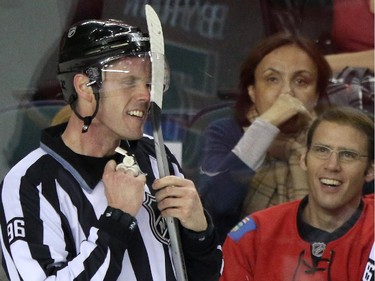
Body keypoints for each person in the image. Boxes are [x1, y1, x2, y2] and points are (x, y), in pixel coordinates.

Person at [0, 19, 222, 280]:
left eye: (149, 82)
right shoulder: (29, 183)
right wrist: (117, 218)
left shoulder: (155, 156)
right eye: (129, 82)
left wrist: (199, 232)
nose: (146, 95)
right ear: (85, 87)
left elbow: (206, 274)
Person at [198, 32, 332, 243]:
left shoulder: (333, 140)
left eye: (301, 81)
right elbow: (214, 204)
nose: (287, 93)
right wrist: (264, 128)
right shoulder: (226, 132)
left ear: (316, 95)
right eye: (272, 79)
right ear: (252, 91)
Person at [220, 106, 374, 281]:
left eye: (348, 155)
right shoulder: (252, 237)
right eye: (322, 150)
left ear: (370, 170)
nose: (332, 165)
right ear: (304, 159)